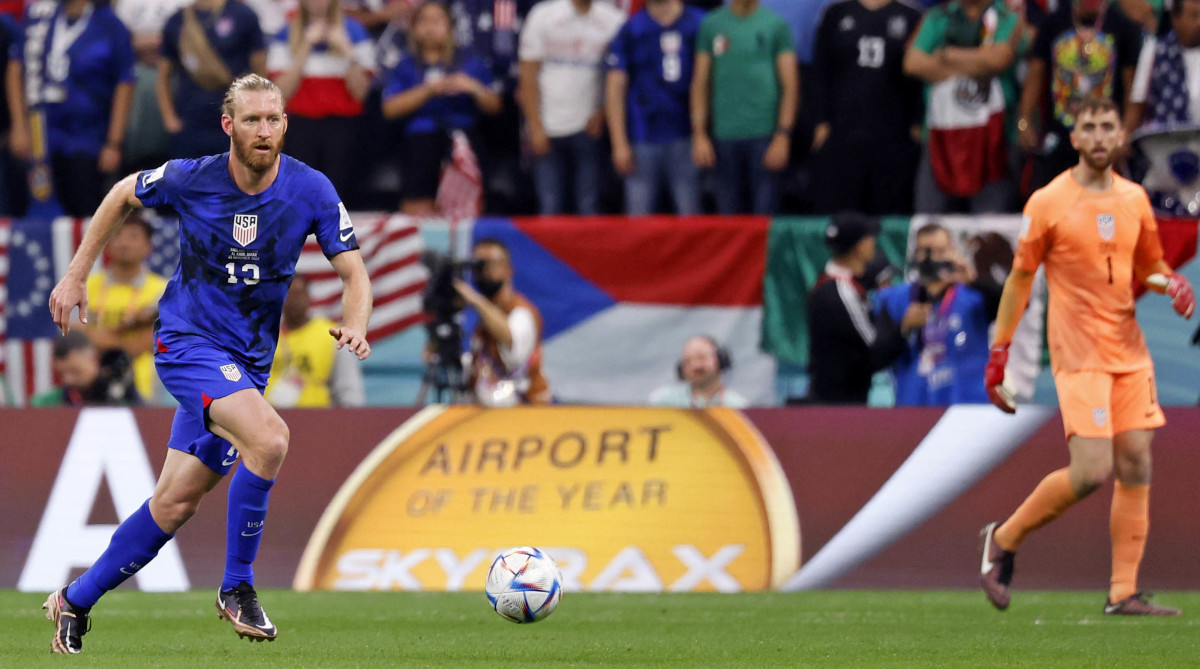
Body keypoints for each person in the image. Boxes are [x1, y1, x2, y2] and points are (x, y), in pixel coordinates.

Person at [43, 73, 372, 653]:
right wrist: (75, 275)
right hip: (187, 343)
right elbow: (122, 193)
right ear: (229, 126)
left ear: (285, 124)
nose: (264, 130)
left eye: (273, 119)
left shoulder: (311, 188)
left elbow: (355, 272)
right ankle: (236, 587)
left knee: (175, 502)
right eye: (252, 120)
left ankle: (73, 601)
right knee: (269, 440)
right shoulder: (193, 178)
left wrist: (358, 322)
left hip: (246, 366)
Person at [979, 98, 1194, 617]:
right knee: (1092, 471)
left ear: (1121, 136)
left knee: (1138, 461)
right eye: (1089, 127)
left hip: (1129, 350)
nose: (1099, 136)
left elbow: (1151, 266)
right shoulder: (1048, 202)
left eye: (1107, 126)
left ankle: (1123, 592)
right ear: (1074, 138)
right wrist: (999, 350)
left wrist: (1173, 284)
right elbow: (1021, 278)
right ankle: (1003, 538)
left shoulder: (1135, 199)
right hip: (1078, 353)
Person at [6, 0, 136, 218]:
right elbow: (16, 68)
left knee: (86, 208)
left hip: (88, 135)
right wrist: (19, 126)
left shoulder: (109, 24)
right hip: (41, 134)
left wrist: (114, 142)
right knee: (37, 208)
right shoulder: (40, 18)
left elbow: (125, 81)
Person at [381, 0, 501, 215]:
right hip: (420, 140)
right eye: (424, 21)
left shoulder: (470, 61)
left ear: (451, 27)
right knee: (418, 196)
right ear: (415, 28)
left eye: (437, 21)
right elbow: (390, 109)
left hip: (463, 139)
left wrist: (472, 87)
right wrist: (429, 90)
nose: (430, 27)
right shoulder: (406, 64)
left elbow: (495, 106)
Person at [903, 0, 1018, 214]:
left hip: (992, 137)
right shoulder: (939, 15)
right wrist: (978, 65)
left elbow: (999, 59)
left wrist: (948, 55)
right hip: (940, 135)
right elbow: (913, 62)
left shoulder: (1005, 16)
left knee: (990, 224)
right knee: (930, 217)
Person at [809, 0, 922, 215]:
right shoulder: (836, 14)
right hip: (842, 130)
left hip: (894, 132)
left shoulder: (909, 17)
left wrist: (917, 120)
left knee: (890, 208)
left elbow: (918, 79)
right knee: (841, 207)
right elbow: (820, 72)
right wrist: (820, 120)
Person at [1016, 0, 1142, 193]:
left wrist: (1124, 133)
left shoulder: (1123, 27)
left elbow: (1132, 90)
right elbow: (1035, 75)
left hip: (1103, 138)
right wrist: (1024, 121)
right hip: (1059, 136)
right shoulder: (1053, 24)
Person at [874, 222, 1001, 406]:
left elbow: (1016, 307)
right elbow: (876, 358)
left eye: (940, 251)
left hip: (968, 408)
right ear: (914, 254)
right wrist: (903, 328)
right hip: (914, 408)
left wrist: (975, 280)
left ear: (953, 253)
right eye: (925, 251)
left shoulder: (975, 297)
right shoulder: (894, 300)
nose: (932, 259)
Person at [517, 0, 624, 215]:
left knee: (589, 207)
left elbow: (618, 76)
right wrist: (535, 127)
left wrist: (603, 112)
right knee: (550, 207)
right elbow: (527, 77)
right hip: (547, 126)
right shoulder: (543, 15)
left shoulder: (614, 20)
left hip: (588, 128)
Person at [691, 0, 797, 215]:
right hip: (724, 138)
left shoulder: (775, 24)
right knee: (728, 221)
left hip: (765, 137)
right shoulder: (711, 25)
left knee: (765, 219)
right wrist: (700, 135)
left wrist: (783, 136)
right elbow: (700, 82)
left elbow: (790, 85)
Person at [807, 211, 926, 404]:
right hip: (839, 405)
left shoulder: (830, 284)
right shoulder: (841, 291)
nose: (873, 243)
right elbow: (874, 350)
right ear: (860, 246)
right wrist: (905, 327)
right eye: (870, 239)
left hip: (836, 399)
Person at [268, 0, 376, 203]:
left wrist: (347, 52)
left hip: (343, 126)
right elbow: (280, 93)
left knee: (337, 196)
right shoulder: (286, 33)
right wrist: (305, 46)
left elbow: (361, 92)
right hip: (300, 125)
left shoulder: (355, 30)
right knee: (300, 196)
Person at [604, 0, 705, 216]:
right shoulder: (631, 29)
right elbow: (615, 87)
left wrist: (702, 134)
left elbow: (709, 82)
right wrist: (619, 142)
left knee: (691, 218)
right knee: (639, 220)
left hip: (686, 136)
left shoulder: (699, 24)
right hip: (643, 137)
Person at [158, 0, 267, 159]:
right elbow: (163, 77)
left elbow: (260, 72)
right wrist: (170, 119)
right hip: (190, 123)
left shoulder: (244, 15)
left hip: (234, 120)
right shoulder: (177, 21)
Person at [455, 237, 551, 406]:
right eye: (478, 264)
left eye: (491, 263)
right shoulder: (486, 316)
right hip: (487, 411)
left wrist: (476, 301)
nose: (484, 271)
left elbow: (511, 344)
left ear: (508, 269)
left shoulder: (521, 311)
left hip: (525, 412)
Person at [85, 214, 169, 404]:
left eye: (133, 236)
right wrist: (132, 327)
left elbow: (148, 342)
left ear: (149, 247)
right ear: (107, 244)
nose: (124, 242)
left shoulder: (164, 291)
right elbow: (73, 335)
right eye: (117, 235)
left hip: (146, 390)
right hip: (93, 389)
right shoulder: (86, 287)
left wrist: (98, 338)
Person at [264, 274, 366, 407]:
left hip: (317, 421)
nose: (293, 299)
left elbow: (349, 393)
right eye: (287, 293)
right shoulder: (263, 335)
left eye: (298, 293)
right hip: (268, 421)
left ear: (309, 298)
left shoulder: (332, 336)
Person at [1128, 0, 1200, 129]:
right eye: (1194, 16)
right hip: (1163, 140)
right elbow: (1137, 104)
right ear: (1175, 18)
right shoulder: (1154, 50)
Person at [30, 331, 140, 407]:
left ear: (93, 360)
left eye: (75, 371)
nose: (67, 379)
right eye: (61, 373)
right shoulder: (49, 403)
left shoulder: (123, 395)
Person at [648, 335, 747, 408]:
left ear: (720, 360)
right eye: (688, 361)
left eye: (702, 358)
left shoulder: (738, 406)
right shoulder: (663, 403)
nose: (695, 366)